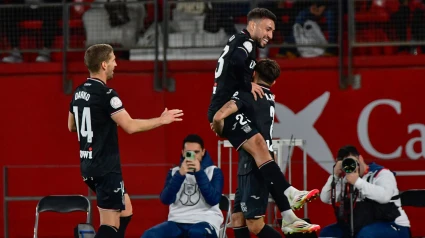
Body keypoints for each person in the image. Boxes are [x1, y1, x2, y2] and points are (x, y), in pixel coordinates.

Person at [207, 10, 318, 234]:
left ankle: (288, 211)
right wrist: (247, 86)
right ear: (253, 25)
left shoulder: (239, 41)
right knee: (260, 144)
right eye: (267, 29)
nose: (270, 34)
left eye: (273, 31)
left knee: (240, 214)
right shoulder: (247, 42)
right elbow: (238, 61)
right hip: (224, 108)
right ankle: (288, 197)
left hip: (224, 110)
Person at [68, 44, 183, 238]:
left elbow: (71, 126)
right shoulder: (107, 94)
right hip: (105, 166)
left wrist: (100, 122)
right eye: (113, 59)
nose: (116, 64)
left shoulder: (78, 92)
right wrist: (161, 120)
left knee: (126, 210)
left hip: (88, 164)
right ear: (104, 65)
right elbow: (130, 126)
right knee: (110, 224)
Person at [142, 134, 224, 238]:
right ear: (183, 153)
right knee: (150, 235)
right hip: (177, 221)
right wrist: (180, 175)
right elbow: (165, 199)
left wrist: (199, 172)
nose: (193, 156)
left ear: (203, 152)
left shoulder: (214, 171)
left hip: (206, 220)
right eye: (189, 153)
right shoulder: (174, 172)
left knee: (197, 233)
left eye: (196, 152)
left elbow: (213, 199)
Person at [319, 145, 410, 238]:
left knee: (366, 234)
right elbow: (326, 199)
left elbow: (384, 197)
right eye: (345, 163)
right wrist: (335, 176)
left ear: (360, 158)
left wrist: (357, 181)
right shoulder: (346, 180)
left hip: (393, 225)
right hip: (360, 226)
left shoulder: (381, 173)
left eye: (351, 161)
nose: (350, 165)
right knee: (328, 233)